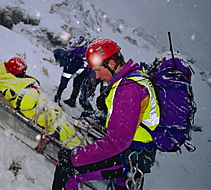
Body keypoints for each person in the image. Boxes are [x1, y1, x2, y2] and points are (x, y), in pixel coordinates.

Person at [52, 38, 160, 190]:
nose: (96, 76)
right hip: (137, 154)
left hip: (128, 155)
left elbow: (118, 141)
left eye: (97, 70)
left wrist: (75, 156)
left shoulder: (128, 89)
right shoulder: (134, 78)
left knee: (68, 172)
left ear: (111, 64)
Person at [0, 57, 86, 150]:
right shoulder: (15, 87)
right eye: (23, 72)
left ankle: (81, 143)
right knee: (63, 129)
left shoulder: (7, 79)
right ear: (18, 73)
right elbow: (27, 104)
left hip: (43, 107)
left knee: (63, 122)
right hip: (42, 113)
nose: (25, 73)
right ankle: (80, 149)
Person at [54, 36, 90, 108]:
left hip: (74, 64)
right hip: (81, 66)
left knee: (66, 81)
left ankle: (59, 97)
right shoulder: (84, 47)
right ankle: (71, 99)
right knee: (76, 83)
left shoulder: (75, 47)